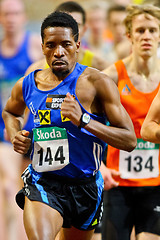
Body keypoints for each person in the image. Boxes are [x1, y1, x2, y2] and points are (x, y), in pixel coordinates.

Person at [2, 11, 136, 240]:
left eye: (65, 44)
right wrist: (16, 134)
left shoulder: (98, 83)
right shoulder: (27, 84)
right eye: (51, 45)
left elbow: (129, 139)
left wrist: (84, 120)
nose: (58, 52)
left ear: (77, 45)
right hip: (43, 182)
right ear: (43, 47)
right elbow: (10, 112)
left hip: (85, 185)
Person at [102, 4, 160, 240]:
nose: (146, 36)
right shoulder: (112, 76)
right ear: (129, 35)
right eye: (140, 30)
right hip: (118, 183)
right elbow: (83, 120)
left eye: (153, 30)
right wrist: (100, 166)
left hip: (156, 183)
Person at [0, 0, 43, 239]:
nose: (11, 19)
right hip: (4, 129)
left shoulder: (35, 48)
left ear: (24, 16)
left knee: (20, 192)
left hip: (29, 134)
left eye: (15, 13)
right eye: (6, 14)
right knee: (8, 189)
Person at [26, 1, 109, 74]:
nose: (67, 32)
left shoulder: (100, 67)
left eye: (76, 25)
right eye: (63, 25)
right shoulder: (35, 71)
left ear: (84, 29)